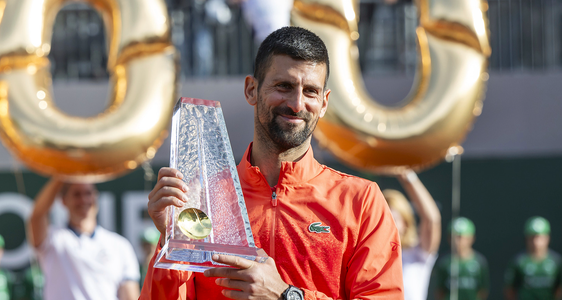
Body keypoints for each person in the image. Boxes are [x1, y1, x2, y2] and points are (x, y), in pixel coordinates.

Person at [141, 26, 404, 298]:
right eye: (284, 86)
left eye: (311, 91)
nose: (296, 104)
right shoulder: (201, 198)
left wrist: (285, 295)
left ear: (324, 103)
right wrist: (171, 240)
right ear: (251, 89)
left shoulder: (360, 202)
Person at [28, 180, 141, 300]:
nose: (84, 200)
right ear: (63, 200)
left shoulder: (120, 245)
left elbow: (130, 295)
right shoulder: (53, 239)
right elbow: (38, 215)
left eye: (88, 194)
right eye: (77, 194)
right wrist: (61, 174)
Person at [383, 170, 442, 300]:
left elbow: (432, 220)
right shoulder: (369, 256)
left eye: (394, 219)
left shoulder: (417, 252)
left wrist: (407, 176)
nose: (387, 226)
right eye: (382, 220)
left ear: (405, 223)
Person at [430, 217, 489, 300]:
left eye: (460, 237)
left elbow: (483, 290)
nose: (456, 241)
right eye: (452, 237)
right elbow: (439, 291)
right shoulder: (444, 263)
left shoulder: (479, 262)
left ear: (471, 238)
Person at [504, 217, 562, 300]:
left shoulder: (556, 262)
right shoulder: (519, 262)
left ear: (547, 238)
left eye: (539, 237)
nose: (536, 242)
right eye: (532, 237)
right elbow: (510, 290)